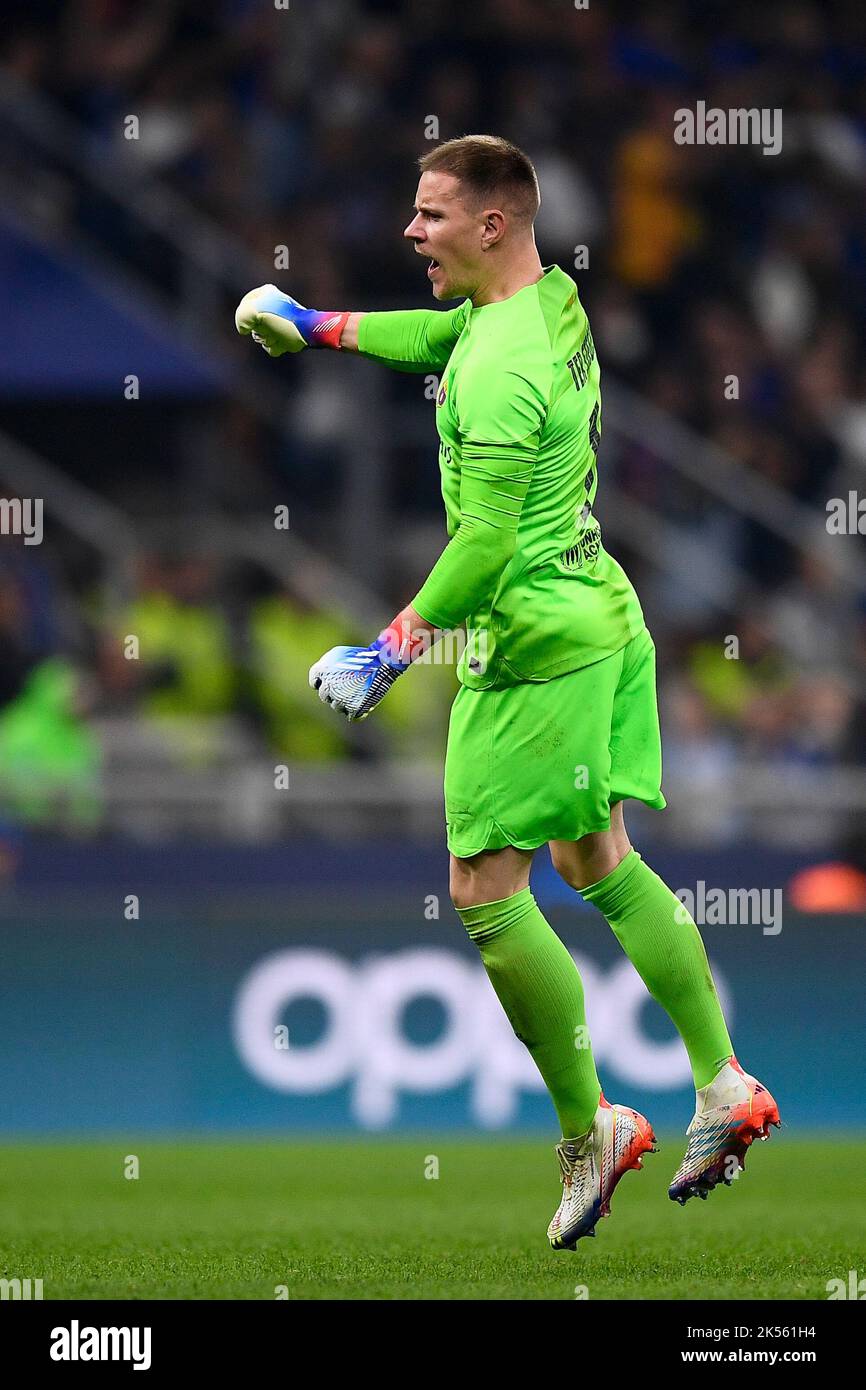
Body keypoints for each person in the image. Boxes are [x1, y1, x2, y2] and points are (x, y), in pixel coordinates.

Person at [235, 134, 780, 1250]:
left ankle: (592, 1127)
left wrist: (387, 650)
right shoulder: (547, 303)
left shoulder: (498, 373)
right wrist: (314, 325)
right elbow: (439, 330)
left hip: (530, 638)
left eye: (429, 214)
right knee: (597, 859)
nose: (409, 230)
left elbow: (479, 549)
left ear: (491, 225)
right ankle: (717, 1077)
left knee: (484, 887)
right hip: (598, 607)